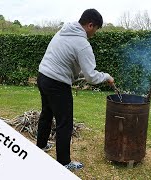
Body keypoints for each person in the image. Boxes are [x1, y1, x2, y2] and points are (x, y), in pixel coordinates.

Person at [36, 9, 114, 170]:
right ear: (90, 25)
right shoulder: (82, 44)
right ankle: (64, 162)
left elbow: (68, 61)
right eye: (96, 29)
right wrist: (106, 77)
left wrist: (80, 74)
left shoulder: (65, 30)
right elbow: (92, 77)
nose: (95, 33)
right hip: (57, 83)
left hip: (43, 75)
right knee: (65, 123)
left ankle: (41, 147)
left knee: (47, 114)